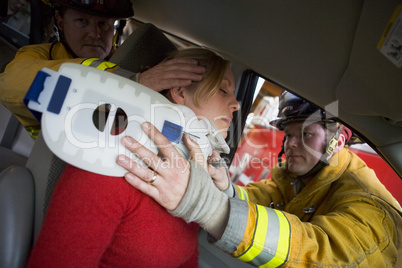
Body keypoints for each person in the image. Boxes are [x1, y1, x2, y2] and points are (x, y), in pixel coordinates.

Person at [117, 90, 402, 267]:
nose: (291, 144)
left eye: (306, 134)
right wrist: (225, 189)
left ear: (338, 141)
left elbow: (321, 251)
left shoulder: (370, 208)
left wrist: (208, 206)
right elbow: (262, 199)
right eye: (289, 134)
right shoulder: (298, 177)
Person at [27, 48, 241, 267]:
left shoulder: (190, 185)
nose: (236, 104)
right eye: (223, 91)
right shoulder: (108, 166)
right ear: (180, 91)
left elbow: (187, 259)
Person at [0, 0, 205, 139]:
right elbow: (10, 85)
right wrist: (129, 84)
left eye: (104, 24)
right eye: (82, 21)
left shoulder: (139, 67)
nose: (95, 33)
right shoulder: (37, 56)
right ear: (60, 22)